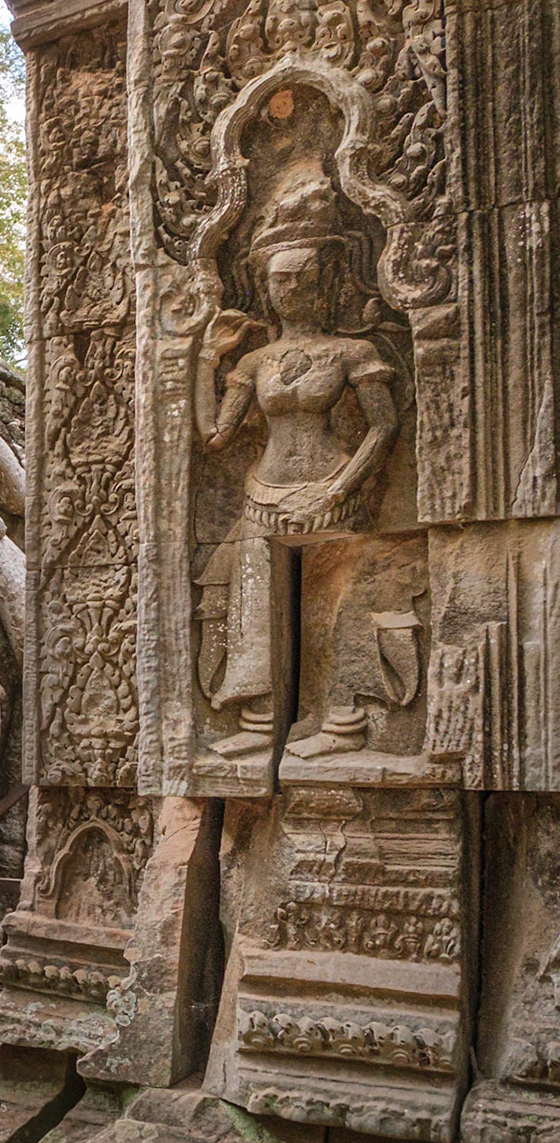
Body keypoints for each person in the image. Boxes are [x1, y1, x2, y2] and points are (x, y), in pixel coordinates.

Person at [195, 178, 401, 759]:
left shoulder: (353, 352)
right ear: (265, 286)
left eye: (302, 277)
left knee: (334, 606)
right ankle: (262, 722)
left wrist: (335, 490)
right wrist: (207, 359)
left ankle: (341, 723)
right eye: (279, 279)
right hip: (263, 492)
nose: (290, 289)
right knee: (255, 607)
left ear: (328, 280)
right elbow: (214, 436)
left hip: (332, 491)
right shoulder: (257, 361)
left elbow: (384, 427)